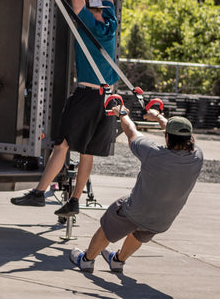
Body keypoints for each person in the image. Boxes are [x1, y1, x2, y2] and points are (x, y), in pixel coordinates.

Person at [11, 0, 119, 216]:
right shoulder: (110, 24)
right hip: (108, 99)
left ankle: (39, 192)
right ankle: (74, 200)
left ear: (90, 10)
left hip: (86, 96)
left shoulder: (85, 23)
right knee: (87, 152)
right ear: (102, 9)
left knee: (63, 144)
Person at [68, 106, 203, 274]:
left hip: (136, 210)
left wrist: (122, 114)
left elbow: (131, 130)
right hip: (163, 219)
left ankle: (86, 260)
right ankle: (117, 261)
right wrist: (158, 117)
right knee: (141, 232)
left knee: (111, 220)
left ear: (167, 136)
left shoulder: (152, 153)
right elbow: (174, 132)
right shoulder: (198, 156)